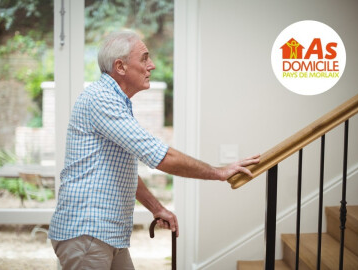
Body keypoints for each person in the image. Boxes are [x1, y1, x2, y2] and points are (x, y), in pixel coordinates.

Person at [48, 30, 260, 270]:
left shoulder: (115, 101)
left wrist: (157, 208)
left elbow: (119, 170)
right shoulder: (101, 99)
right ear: (120, 66)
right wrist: (219, 172)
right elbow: (162, 156)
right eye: (145, 58)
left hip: (103, 234)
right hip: (87, 232)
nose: (152, 65)